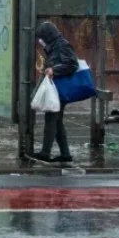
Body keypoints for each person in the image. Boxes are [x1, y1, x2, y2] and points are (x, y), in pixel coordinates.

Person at [32, 21, 79, 163]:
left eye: (42, 37)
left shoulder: (62, 45)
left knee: (51, 119)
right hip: (55, 88)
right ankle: (65, 154)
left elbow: (72, 64)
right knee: (57, 121)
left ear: (48, 35)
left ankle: (45, 153)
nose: (41, 41)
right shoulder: (53, 46)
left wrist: (54, 70)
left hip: (60, 89)